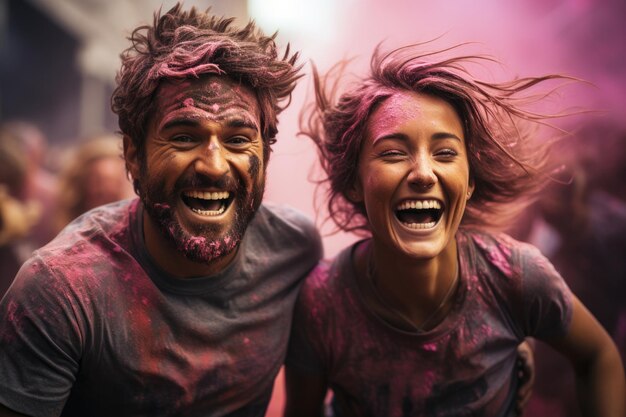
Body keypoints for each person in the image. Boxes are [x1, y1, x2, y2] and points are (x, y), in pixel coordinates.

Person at [0, 4, 322, 417]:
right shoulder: (61, 289)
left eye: (239, 140)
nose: (214, 165)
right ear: (134, 156)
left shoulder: (293, 250)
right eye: (185, 137)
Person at [284, 44, 626, 417]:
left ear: (469, 183)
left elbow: (598, 357)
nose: (423, 173)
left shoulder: (514, 275)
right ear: (354, 183)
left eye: (445, 153)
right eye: (394, 153)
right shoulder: (323, 301)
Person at [53, 134, 135, 233]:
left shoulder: (136, 230)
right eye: (98, 182)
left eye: (115, 182)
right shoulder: (68, 235)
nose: (107, 189)